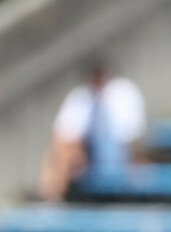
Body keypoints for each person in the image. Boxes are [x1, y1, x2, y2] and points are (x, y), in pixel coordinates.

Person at [38, 60, 146, 202]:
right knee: (61, 148)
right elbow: (63, 134)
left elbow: (133, 141)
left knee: (63, 151)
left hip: (118, 159)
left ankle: (52, 197)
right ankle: (52, 195)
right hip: (87, 160)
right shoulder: (81, 96)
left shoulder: (123, 93)